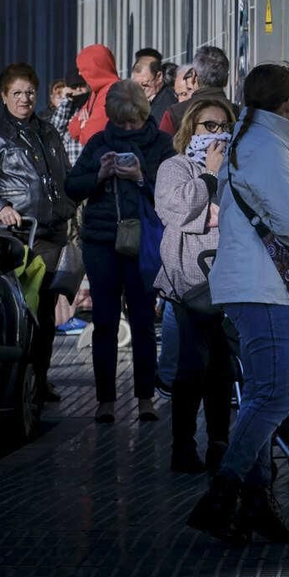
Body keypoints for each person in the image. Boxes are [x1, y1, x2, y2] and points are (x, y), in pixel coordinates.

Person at [187, 63, 289, 545]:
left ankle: (258, 503)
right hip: (266, 286)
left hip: (252, 283)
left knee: (259, 396)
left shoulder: (248, 140)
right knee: (276, 396)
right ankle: (222, 495)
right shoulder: (267, 145)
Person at [64, 80, 177, 424]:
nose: (128, 128)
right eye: (121, 122)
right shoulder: (99, 142)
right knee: (105, 322)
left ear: (144, 114)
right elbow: (72, 187)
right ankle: (105, 401)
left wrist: (141, 177)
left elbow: (173, 195)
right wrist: (99, 174)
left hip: (144, 242)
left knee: (143, 321)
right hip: (102, 243)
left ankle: (145, 398)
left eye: (133, 121)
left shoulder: (162, 144)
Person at [0, 62, 78, 404]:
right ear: (4, 96)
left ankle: (39, 379)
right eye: (16, 93)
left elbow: (64, 174)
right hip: (21, 239)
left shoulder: (49, 132)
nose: (24, 99)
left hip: (54, 233)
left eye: (29, 92)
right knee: (27, 312)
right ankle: (21, 383)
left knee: (46, 312)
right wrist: (0, 206)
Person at [155, 98, 237, 473]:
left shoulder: (236, 167)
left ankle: (220, 442)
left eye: (224, 126)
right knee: (191, 367)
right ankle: (183, 447)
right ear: (191, 128)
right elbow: (176, 209)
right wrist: (209, 175)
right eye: (209, 126)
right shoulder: (174, 167)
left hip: (230, 280)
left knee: (221, 368)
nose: (218, 133)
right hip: (188, 284)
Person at [161, 45, 234, 134]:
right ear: (226, 79)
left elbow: (162, 142)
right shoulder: (239, 114)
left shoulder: (174, 114)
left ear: (193, 76)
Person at [67, 44, 120, 150]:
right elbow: (72, 129)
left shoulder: (114, 92)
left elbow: (91, 136)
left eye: (83, 68)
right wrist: (82, 125)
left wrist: (82, 125)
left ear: (94, 68)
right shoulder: (96, 92)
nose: (80, 73)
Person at [132, 47, 178, 126]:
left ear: (159, 77)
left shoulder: (166, 103)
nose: (139, 89)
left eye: (144, 84)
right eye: (136, 85)